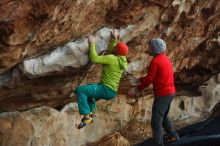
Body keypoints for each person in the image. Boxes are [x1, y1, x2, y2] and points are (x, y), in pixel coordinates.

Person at [128, 38, 179, 146]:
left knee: (156, 122)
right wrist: (139, 79)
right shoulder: (164, 59)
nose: (149, 48)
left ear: (155, 48)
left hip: (163, 94)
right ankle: (173, 135)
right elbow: (152, 77)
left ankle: (159, 144)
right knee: (163, 116)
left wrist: (136, 89)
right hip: (170, 92)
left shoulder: (155, 61)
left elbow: (150, 79)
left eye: (150, 46)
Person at [74, 30, 128, 129]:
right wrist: (114, 39)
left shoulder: (112, 59)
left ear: (116, 51)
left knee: (80, 91)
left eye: (115, 48)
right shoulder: (122, 60)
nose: (113, 48)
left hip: (105, 89)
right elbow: (113, 50)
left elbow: (94, 58)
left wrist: (92, 43)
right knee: (89, 92)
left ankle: (87, 116)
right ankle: (92, 112)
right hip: (110, 91)